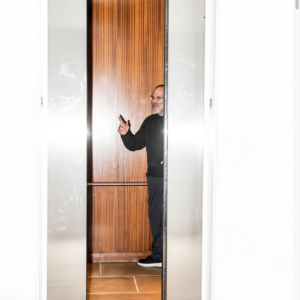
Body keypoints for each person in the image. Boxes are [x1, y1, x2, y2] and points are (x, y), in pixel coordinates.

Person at [117, 85, 164, 268]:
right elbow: (135, 145)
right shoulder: (151, 121)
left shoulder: (181, 121)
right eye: (153, 97)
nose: (154, 101)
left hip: (179, 175)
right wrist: (125, 134)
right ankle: (159, 255)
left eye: (159, 98)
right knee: (156, 216)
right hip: (155, 177)